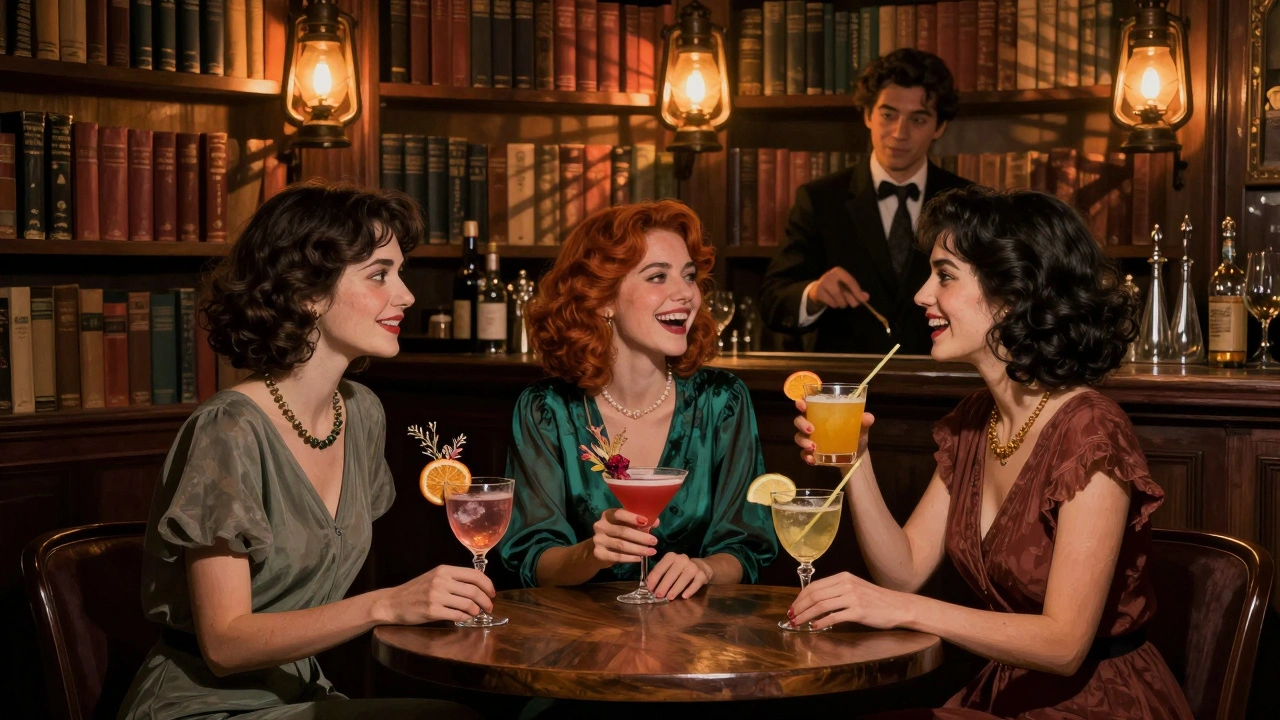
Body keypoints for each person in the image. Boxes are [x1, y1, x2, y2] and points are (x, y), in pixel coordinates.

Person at [788, 186, 1195, 718]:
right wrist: (854, 456)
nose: (921, 295)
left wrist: (899, 609)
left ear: (1012, 293)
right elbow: (904, 570)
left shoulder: (1091, 430)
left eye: (945, 275)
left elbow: (1064, 645)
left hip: (1098, 701)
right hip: (1006, 695)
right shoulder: (975, 420)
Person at [118, 182, 488, 720]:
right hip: (204, 708)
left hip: (301, 695)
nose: (406, 295)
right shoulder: (230, 428)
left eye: (400, 273)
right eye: (380, 274)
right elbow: (225, 645)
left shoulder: (361, 413)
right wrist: (385, 603)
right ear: (308, 293)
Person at [498, 200, 777, 599]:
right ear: (603, 299)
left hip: (694, 642)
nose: (686, 294)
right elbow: (534, 561)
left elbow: (746, 546)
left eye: (689, 276)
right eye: (657, 277)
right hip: (580, 640)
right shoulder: (547, 410)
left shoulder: (721, 400)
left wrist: (704, 568)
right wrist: (591, 554)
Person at [760, 48, 971, 354]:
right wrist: (815, 293)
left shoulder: (966, 202)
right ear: (868, 115)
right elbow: (773, 302)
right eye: (888, 114)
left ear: (939, 126)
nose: (900, 132)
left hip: (941, 382)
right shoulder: (819, 199)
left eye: (918, 119)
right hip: (845, 387)